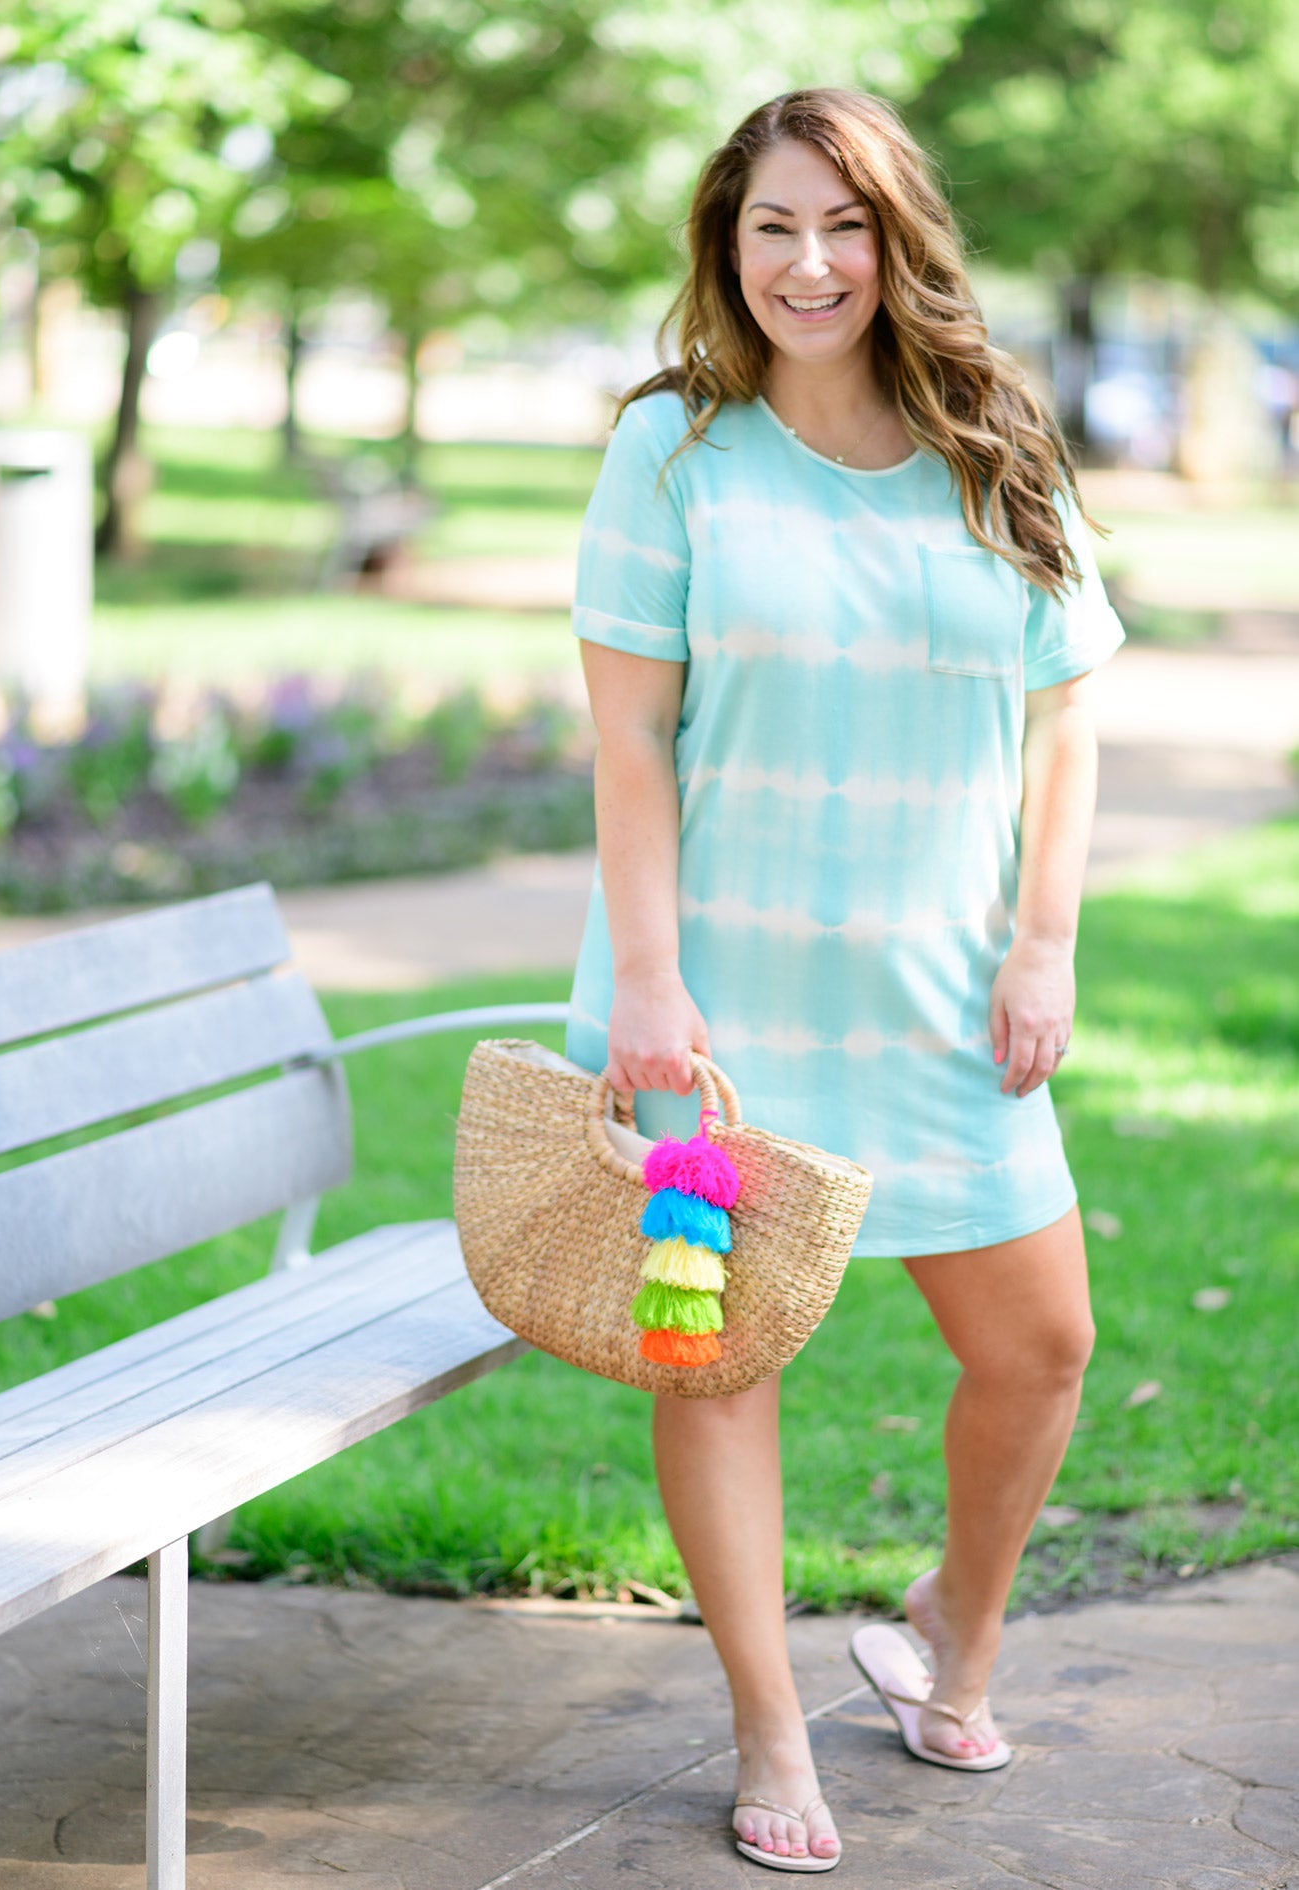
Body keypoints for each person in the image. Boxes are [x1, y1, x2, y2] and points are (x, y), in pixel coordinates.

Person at [564, 86, 1125, 1873]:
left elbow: (1064, 710)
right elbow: (628, 747)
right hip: (710, 1029)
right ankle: (765, 1723)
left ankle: (947, 1638)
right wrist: (645, 987)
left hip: (951, 998)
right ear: (727, 251)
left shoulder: (997, 441)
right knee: (711, 1361)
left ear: (896, 239)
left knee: (1040, 1345)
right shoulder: (669, 454)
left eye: (843, 224)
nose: (809, 262)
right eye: (770, 228)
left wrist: (1043, 940)